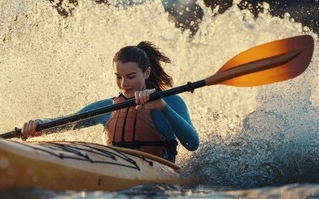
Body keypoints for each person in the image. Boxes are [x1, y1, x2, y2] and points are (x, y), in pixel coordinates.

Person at [21, 41, 199, 162]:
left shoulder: (170, 101)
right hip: (119, 177)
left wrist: (162, 108)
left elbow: (192, 144)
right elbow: (70, 122)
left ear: (146, 73)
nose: (124, 84)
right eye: (118, 77)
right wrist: (39, 125)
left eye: (131, 76)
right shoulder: (107, 107)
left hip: (160, 183)